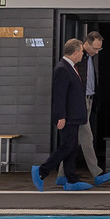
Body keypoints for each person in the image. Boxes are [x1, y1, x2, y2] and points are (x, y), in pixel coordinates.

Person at [33, 38, 100, 190]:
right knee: (67, 147)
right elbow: (59, 95)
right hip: (67, 117)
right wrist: (61, 116)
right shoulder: (62, 69)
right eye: (81, 52)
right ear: (75, 52)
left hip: (73, 116)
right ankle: (42, 171)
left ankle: (71, 180)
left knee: (71, 147)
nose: (82, 54)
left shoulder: (70, 67)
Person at [69, 30, 108, 184]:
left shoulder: (90, 58)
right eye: (95, 48)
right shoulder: (79, 58)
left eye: (99, 49)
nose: (97, 52)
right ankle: (97, 173)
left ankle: (61, 175)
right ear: (86, 44)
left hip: (89, 100)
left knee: (74, 140)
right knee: (86, 137)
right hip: (81, 101)